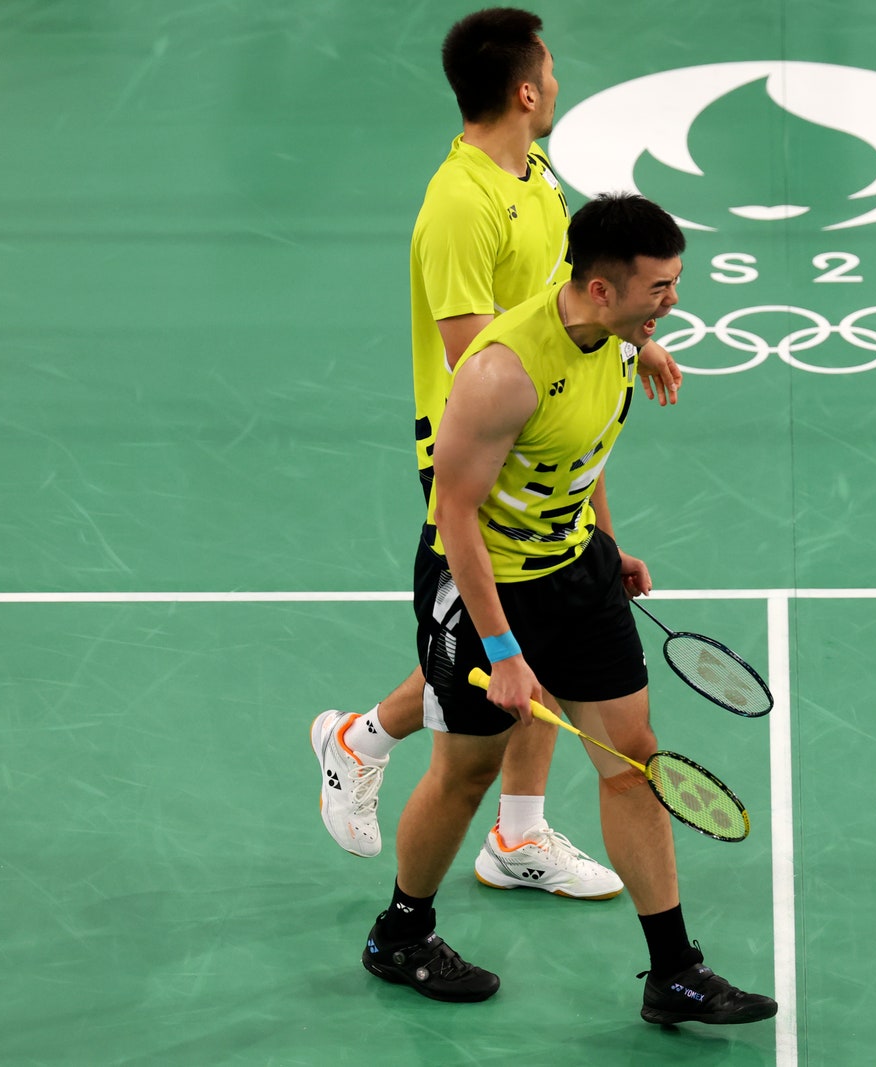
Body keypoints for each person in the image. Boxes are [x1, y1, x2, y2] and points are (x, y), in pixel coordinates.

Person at [360, 192, 778, 1027]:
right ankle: (400, 932)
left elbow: (581, 454)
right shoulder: (500, 372)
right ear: (597, 289)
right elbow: (456, 515)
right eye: (659, 288)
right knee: (467, 772)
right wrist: (504, 648)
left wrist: (606, 544)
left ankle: (674, 971)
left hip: (574, 565)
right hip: (485, 583)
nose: (672, 302)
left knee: (633, 757)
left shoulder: (619, 340)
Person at [311, 8, 681, 900]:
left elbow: (565, 292)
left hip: (553, 423)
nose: (558, 82)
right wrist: (604, 349)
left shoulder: (533, 171)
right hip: (483, 442)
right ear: (525, 90)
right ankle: (363, 740)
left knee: (539, 637)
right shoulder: (460, 202)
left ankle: (515, 833)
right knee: (500, 632)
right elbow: (477, 350)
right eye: (550, 71)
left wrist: (629, 335)